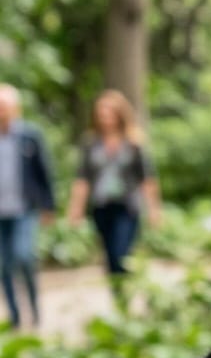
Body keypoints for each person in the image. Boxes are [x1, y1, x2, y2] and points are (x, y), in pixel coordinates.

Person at [67, 90, 160, 279]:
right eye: (101, 112)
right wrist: (75, 209)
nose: (105, 117)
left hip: (127, 206)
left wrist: (154, 210)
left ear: (120, 114)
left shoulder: (133, 143)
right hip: (102, 206)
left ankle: (125, 289)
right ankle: (118, 298)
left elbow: (147, 178)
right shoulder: (91, 143)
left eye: (109, 112)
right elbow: (82, 179)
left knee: (121, 254)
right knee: (110, 256)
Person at [0, 84, 55, 329]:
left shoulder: (29, 135)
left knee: (24, 256)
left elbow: (44, 172)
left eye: (5, 106)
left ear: (15, 108)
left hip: (24, 209)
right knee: (4, 264)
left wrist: (48, 206)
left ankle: (34, 309)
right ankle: (14, 316)